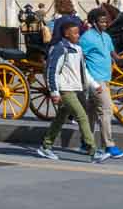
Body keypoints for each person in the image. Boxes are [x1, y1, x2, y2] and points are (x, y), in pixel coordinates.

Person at [36, 16, 106, 162]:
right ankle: (93, 150)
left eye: (78, 33)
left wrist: (94, 85)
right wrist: (54, 92)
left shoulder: (78, 49)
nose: (78, 35)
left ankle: (46, 146)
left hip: (75, 88)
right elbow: (52, 71)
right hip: (64, 89)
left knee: (61, 118)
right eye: (75, 33)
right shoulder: (60, 49)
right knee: (81, 115)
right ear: (66, 34)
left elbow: (83, 70)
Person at [80, 7, 123, 158]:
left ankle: (86, 143)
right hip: (95, 80)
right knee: (106, 109)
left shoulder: (106, 36)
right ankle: (109, 145)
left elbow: (112, 53)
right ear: (93, 22)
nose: (105, 24)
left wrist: (122, 61)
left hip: (106, 79)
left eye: (106, 21)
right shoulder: (86, 38)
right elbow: (80, 59)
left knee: (92, 112)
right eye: (102, 21)